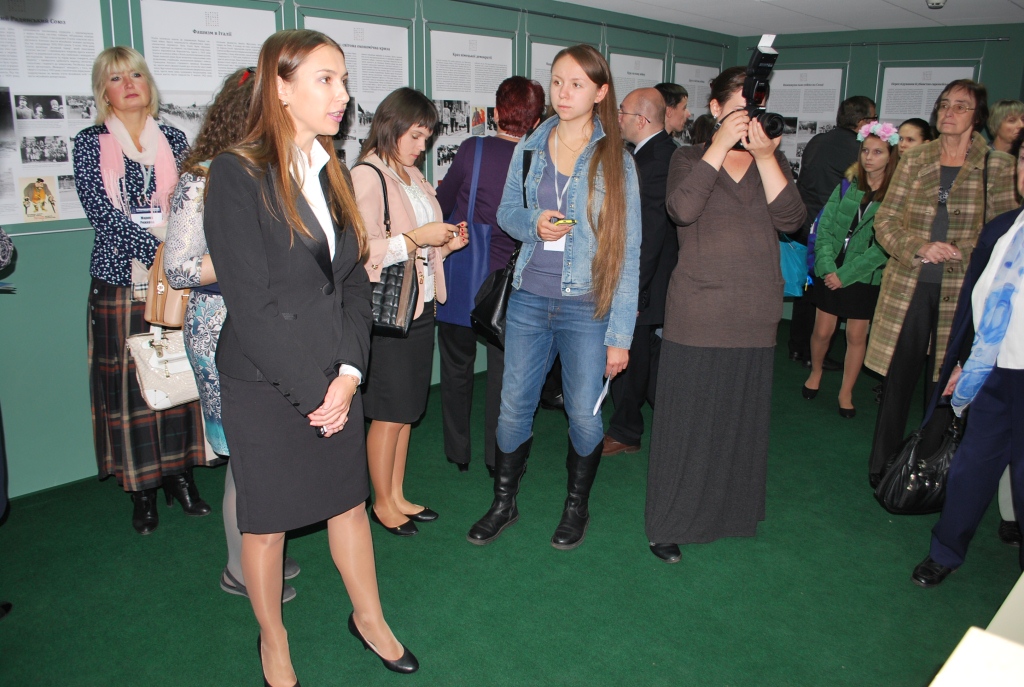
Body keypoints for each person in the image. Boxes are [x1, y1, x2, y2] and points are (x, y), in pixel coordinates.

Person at [203, 29, 419, 686]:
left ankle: (371, 619)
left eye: (344, 79)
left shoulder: (332, 167)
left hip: (334, 375)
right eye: (326, 79)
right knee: (266, 524)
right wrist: (314, 393)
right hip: (266, 380)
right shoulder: (236, 173)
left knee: (348, 503)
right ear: (280, 87)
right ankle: (273, 641)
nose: (343, 94)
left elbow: (350, 279)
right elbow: (251, 305)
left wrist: (349, 375)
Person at [467, 44, 641, 551]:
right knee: (512, 408)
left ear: (600, 92)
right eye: (558, 82)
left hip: (587, 305)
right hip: (528, 298)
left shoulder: (616, 160)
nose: (564, 93)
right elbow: (506, 213)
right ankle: (504, 502)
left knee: (584, 414)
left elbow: (628, 251)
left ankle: (576, 506)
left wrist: (620, 336)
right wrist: (533, 223)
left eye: (577, 84)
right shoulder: (530, 146)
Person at [646, 66, 805, 563]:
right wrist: (719, 146)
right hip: (698, 310)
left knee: (740, 420)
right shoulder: (688, 158)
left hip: (755, 311)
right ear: (715, 108)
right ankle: (669, 523)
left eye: (755, 109)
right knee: (686, 425)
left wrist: (767, 157)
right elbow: (682, 210)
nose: (748, 118)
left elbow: (792, 219)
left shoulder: (772, 160)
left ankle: (731, 514)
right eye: (738, 108)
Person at [163, 67, 301, 602]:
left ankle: (263, 550)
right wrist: (251, 253)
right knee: (246, 458)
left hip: (269, 324)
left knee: (270, 451)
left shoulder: (273, 170)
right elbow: (179, 269)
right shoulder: (201, 178)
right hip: (220, 327)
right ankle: (240, 569)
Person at [74, 46, 207, 535]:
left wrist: (174, 258)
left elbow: (191, 206)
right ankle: (143, 489)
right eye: (116, 78)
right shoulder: (89, 142)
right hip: (119, 279)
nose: (128, 84)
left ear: (148, 84)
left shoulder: (174, 138)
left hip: (173, 280)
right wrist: (159, 254)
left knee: (178, 373)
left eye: (135, 74)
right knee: (132, 387)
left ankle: (180, 476)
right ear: (103, 91)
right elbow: (101, 214)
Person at [867, 79, 1017, 486]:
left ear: (978, 116)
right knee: (897, 379)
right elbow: (886, 220)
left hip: (962, 292)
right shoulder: (915, 158)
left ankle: (928, 467)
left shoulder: (997, 166)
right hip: (909, 286)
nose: (949, 112)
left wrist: (955, 249)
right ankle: (882, 468)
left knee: (944, 382)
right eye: (944, 104)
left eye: (961, 106)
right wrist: (919, 246)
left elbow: (1006, 235)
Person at [910, 133, 1024, 587]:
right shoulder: (1004, 229)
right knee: (972, 467)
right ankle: (945, 551)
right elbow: (979, 308)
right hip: (995, 373)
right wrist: (965, 362)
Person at [352, 88, 467, 536]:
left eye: (427, 137)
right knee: (388, 412)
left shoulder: (412, 175)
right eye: (416, 135)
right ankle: (382, 503)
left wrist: (446, 245)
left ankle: (396, 494)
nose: (423, 146)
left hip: (418, 306)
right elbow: (362, 252)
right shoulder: (368, 175)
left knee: (405, 412)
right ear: (392, 126)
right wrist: (420, 237)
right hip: (389, 314)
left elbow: (418, 248)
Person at [435, 77, 546, 475]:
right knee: (504, 377)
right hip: (513, 282)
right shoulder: (539, 161)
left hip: (464, 274)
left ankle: (458, 452)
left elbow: (442, 205)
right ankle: (495, 458)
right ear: (537, 120)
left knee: (456, 366)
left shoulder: (473, 149)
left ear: (496, 113)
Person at [802, 121, 900, 417]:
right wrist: (827, 267)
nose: (869, 157)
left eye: (878, 152)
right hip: (830, 268)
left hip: (863, 276)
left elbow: (884, 246)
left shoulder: (896, 194)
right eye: (865, 151)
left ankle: (846, 392)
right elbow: (824, 227)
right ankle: (816, 371)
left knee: (856, 336)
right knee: (823, 331)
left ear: (890, 156)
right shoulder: (847, 184)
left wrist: (844, 276)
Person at [602, 87, 677, 456]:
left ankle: (626, 431)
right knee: (647, 357)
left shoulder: (655, 162)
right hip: (649, 282)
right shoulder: (655, 154)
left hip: (646, 282)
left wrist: (633, 293)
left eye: (623, 112)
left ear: (642, 120)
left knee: (631, 359)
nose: (617, 119)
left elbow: (649, 236)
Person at [787, 95, 876, 368]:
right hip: (832, 231)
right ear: (862, 121)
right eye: (873, 119)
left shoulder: (818, 140)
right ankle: (817, 355)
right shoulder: (858, 149)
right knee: (828, 295)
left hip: (804, 222)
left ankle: (798, 347)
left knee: (808, 288)